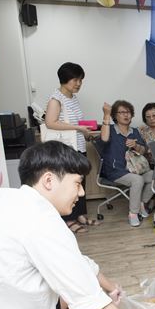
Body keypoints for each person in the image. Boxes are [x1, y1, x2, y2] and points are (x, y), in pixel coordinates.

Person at [0, 141, 155, 309]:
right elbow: (95, 308)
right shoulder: (40, 221)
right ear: (49, 181)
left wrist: (109, 286)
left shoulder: (15, 207)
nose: (81, 193)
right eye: (78, 183)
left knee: (66, 297)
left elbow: (77, 265)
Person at [44, 62, 98, 234]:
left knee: (79, 183)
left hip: (78, 145)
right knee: (68, 184)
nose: (78, 83)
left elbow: (73, 122)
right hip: (65, 149)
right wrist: (78, 128)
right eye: (75, 80)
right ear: (64, 79)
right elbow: (50, 122)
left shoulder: (73, 98)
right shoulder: (56, 99)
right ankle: (68, 220)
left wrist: (84, 129)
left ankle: (80, 214)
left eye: (80, 80)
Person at [100, 100, 153, 227]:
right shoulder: (110, 129)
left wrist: (136, 146)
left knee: (153, 175)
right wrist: (106, 115)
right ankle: (133, 214)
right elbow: (104, 138)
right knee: (137, 180)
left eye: (128, 112)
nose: (126, 115)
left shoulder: (134, 131)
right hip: (115, 170)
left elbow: (143, 150)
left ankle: (141, 203)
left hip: (135, 169)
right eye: (122, 112)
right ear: (115, 115)